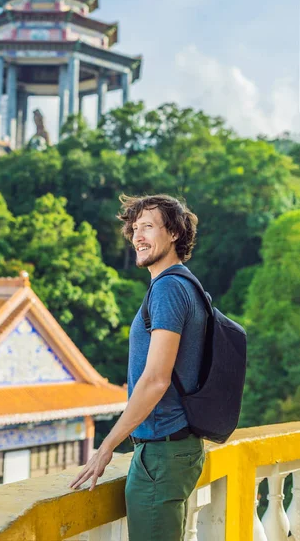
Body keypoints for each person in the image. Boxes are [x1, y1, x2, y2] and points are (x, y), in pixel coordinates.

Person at [69, 194, 206, 541]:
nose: (137, 236)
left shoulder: (169, 289)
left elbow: (156, 380)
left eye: (147, 227)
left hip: (162, 453)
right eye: (134, 229)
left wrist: (106, 446)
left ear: (174, 233)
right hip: (173, 449)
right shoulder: (187, 284)